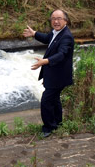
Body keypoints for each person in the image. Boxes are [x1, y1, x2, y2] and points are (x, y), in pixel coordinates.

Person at [23, 9, 74, 138]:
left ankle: (49, 128)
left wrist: (45, 61)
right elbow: (47, 38)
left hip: (59, 76)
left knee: (46, 100)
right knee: (54, 99)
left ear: (65, 21)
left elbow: (61, 54)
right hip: (54, 74)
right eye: (53, 19)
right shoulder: (56, 32)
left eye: (59, 19)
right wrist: (34, 33)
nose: (56, 21)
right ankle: (57, 123)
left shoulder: (66, 36)